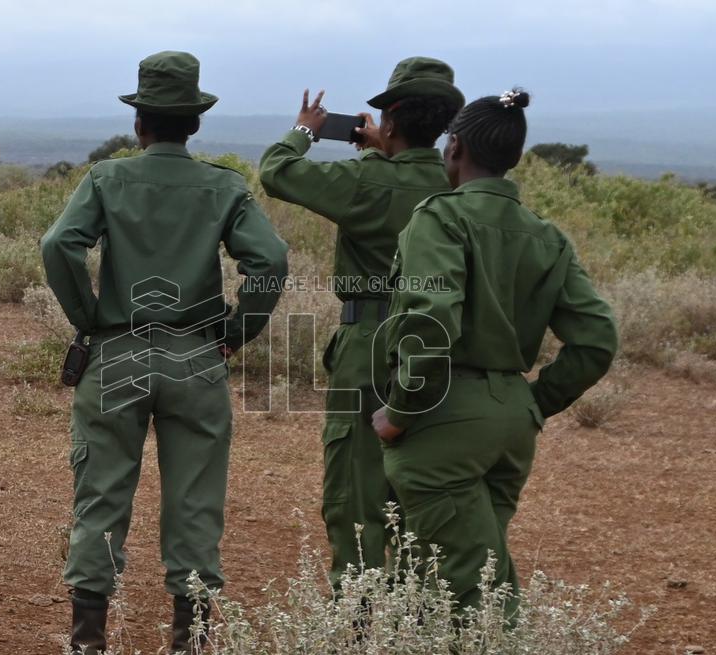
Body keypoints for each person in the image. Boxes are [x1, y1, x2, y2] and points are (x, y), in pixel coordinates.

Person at [40, 50, 289, 655]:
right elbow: (270, 262)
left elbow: (58, 244)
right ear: (194, 124)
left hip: (118, 351)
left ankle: (87, 650)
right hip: (196, 358)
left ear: (139, 123)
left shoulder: (106, 178)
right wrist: (236, 331)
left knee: (100, 495)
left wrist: (91, 318)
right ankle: (190, 650)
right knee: (196, 500)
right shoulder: (225, 186)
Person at [372, 89, 619, 616]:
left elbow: (431, 323)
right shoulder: (546, 236)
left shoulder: (440, 217)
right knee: (444, 574)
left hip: (442, 422)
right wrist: (533, 401)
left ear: (455, 146)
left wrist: (400, 412)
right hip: (511, 421)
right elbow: (596, 338)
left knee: (473, 598)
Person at [259, 57, 465, 587]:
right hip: (446, 347)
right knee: (425, 487)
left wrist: (304, 130)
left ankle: (355, 624)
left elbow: (277, 172)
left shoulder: (366, 180)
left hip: (369, 344)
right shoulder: (457, 185)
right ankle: (420, 620)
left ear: (389, 120)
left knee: (355, 489)